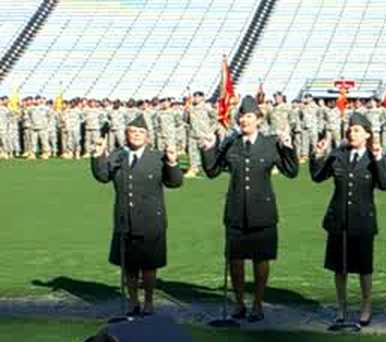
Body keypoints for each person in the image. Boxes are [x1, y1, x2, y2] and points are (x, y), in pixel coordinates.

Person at [200, 95, 298, 322]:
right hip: (235, 210)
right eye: (242, 116)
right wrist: (209, 149)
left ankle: (257, 303)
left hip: (262, 211)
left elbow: (291, 172)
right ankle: (239, 303)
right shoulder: (230, 143)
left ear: (259, 120)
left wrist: (288, 148)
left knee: (260, 259)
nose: (245, 120)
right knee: (235, 260)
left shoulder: (270, 143)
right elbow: (213, 171)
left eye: (250, 116)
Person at [91, 114, 183, 316]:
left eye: (141, 132)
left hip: (151, 220)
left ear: (148, 137)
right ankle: (133, 301)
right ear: (126, 135)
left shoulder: (158, 157)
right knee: (129, 266)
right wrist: (98, 155)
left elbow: (175, 182)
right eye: (133, 131)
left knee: (149, 266)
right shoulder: (117, 155)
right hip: (125, 219)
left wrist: (173, 162)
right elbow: (102, 176)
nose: (137, 135)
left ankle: (149, 302)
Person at [309, 112, 386, 327]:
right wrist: (317, 156)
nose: (351, 133)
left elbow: (385, 184)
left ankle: (366, 306)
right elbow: (318, 177)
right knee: (340, 267)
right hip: (338, 218)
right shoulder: (338, 155)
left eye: (356, 130)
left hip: (362, 220)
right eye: (350, 129)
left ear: (367, 134)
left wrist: (379, 159)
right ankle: (341, 307)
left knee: (364, 267)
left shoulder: (373, 157)